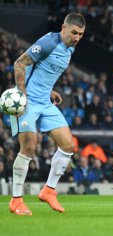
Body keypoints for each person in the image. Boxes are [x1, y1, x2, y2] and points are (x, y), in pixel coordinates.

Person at [9, 12, 86, 215]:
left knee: (68, 145)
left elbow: (41, 70)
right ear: (63, 28)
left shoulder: (69, 49)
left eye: (81, 34)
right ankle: (16, 200)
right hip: (28, 102)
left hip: (45, 102)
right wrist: (22, 95)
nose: (77, 38)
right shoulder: (48, 42)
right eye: (74, 33)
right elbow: (20, 63)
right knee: (29, 148)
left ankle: (48, 190)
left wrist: (49, 91)